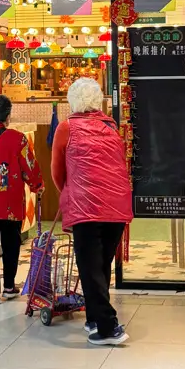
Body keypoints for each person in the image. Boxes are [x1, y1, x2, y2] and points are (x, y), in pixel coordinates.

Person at [51, 77, 133, 346]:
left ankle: (108, 328)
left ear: (72, 101)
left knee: (90, 267)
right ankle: (94, 319)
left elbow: (57, 172)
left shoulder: (66, 127)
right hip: (117, 205)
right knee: (101, 265)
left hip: (86, 207)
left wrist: (70, 192)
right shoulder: (111, 126)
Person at [0, 94, 43, 304]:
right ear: (8, 116)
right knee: (11, 245)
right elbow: (30, 167)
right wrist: (37, 186)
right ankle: (9, 286)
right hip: (11, 203)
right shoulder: (18, 139)